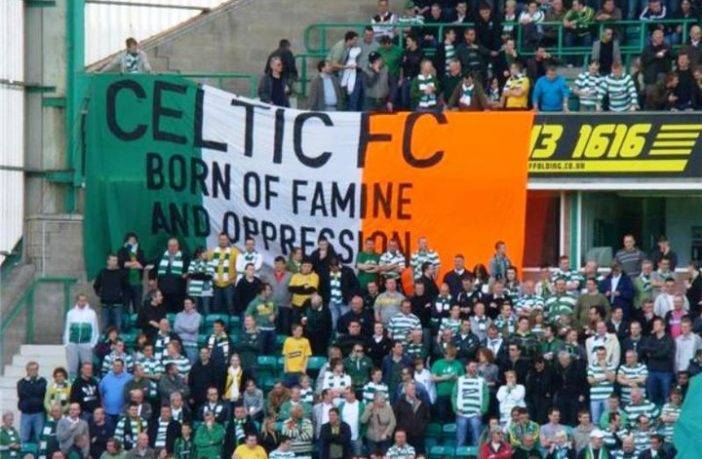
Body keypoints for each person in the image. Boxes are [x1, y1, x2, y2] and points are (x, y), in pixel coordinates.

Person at [453, 361, 489, 447]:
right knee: (460, 440)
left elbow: (486, 396)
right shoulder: (460, 380)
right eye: (472, 366)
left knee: (477, 441)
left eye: (475, 367)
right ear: (467, 367)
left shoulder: (481, 381)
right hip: (461, 413)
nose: (474, 369)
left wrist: (482, 410)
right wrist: (456, 409)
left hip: (476, 414)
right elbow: (454, 395)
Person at [641, 317, 675, 406]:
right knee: (652, 396)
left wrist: (652, 354)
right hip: (652, 371)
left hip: (665, 371)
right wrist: (657, 349)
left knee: (666, 397)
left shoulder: (669, 338)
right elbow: (645, 349)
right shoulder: (650, 337)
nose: (654, 326)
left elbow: (665, 353)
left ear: (663, 326)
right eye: (654, 325)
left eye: (657, 324)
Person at [64, 294, 99, 378]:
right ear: (77, 301)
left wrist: (92, 344)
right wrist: (67, 343)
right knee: (72, 368)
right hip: (72, 344)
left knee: (87, 368)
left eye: (84, 300)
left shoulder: (91, 313)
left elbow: (95, 329)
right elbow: (67, 329)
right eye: (80, 300)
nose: (82, 302)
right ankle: (72, 386)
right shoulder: (71, 313)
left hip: (86, 344)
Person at [94, 255, 129, 332]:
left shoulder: (121, 273)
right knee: (105, 326)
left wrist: (121, 296)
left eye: (115, 260)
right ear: (108, 261)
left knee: (118, 326)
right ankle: (105, 344)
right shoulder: (102, 272)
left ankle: (117, 343)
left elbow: (126, 287)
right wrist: (102, 295)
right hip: (105, 305)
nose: (114, 262)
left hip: (118, 305)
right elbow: (96, 285)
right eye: (112, 260)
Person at [208, 232, 239, 314]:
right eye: (221, 239)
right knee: (215, 305)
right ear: (218, 240)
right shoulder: (212, 251)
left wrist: (235, 280)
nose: (223, 241)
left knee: (230, 304)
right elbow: (207, 264)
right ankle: (216, 324)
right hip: (216, 283)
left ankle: (233, 324)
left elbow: (240, 267)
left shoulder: (234, 252)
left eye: (224, 239)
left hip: (229, 283)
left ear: (228, 240)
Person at [155, 238, 189, 313]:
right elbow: (154, 268)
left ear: (178, 246)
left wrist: (186, 273)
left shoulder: (184, 256)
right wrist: (151, 279)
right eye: (170, 246)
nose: (172, 247)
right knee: (164, 312)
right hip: (163, 290)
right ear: (167, 246)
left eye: (174, 245)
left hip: (178, 290)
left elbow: (190, 268)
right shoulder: (161, 256)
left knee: (178, 312)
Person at [17, 360, 47, 443]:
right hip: (26, 413)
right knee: (24, 437)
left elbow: (40, 392)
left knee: (40, 437)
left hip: (39, 413)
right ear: (27, 370)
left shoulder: (43, 381)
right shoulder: (21, 382)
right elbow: (22, 394)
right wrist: (34, 390)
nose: (33, 371)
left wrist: (31, 389)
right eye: (31, 369)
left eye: (35, 369)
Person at [361, 392, 396, 458]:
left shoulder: (388, 407)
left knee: (386, 456)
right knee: (373, 456)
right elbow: (363, 421)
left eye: (384, 399)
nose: (383, 401)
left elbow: (393, 422)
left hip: (385, 437)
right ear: (375, 399)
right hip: (372, 437)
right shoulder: (369, 406)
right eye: (381, 399)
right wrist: (369, 410)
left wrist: (386, 433)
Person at [99, 359, 133, 424]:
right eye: (114, 365)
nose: (115, 367)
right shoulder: (106, 378)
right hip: (107, 412)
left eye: (117, 365)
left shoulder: (129, 378)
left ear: (123, 367)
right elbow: (100, 393)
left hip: (123, 412)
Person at [563, 0, 595, 66]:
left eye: (575, 5)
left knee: (587, 39)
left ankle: (584, 63)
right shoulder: (572, 11)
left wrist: (574, 22)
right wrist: (566, 22)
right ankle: (570, 63)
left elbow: (586, 19)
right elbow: (565, 19)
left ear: (580, 5)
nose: (573, 7)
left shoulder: (589, 10)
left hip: (585, 33)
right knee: (568, 39)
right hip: (574, 33)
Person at [173, 297, 201, 363]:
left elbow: (193, 329)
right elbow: (176, 329)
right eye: (185, 303)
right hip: (179, 345)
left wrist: (181, 326)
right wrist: (188, 328)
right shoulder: (179, 315)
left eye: (188, 303)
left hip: (191, 347)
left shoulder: (197, 316)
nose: (186, 305)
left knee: (191, 367)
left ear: (193, 305)